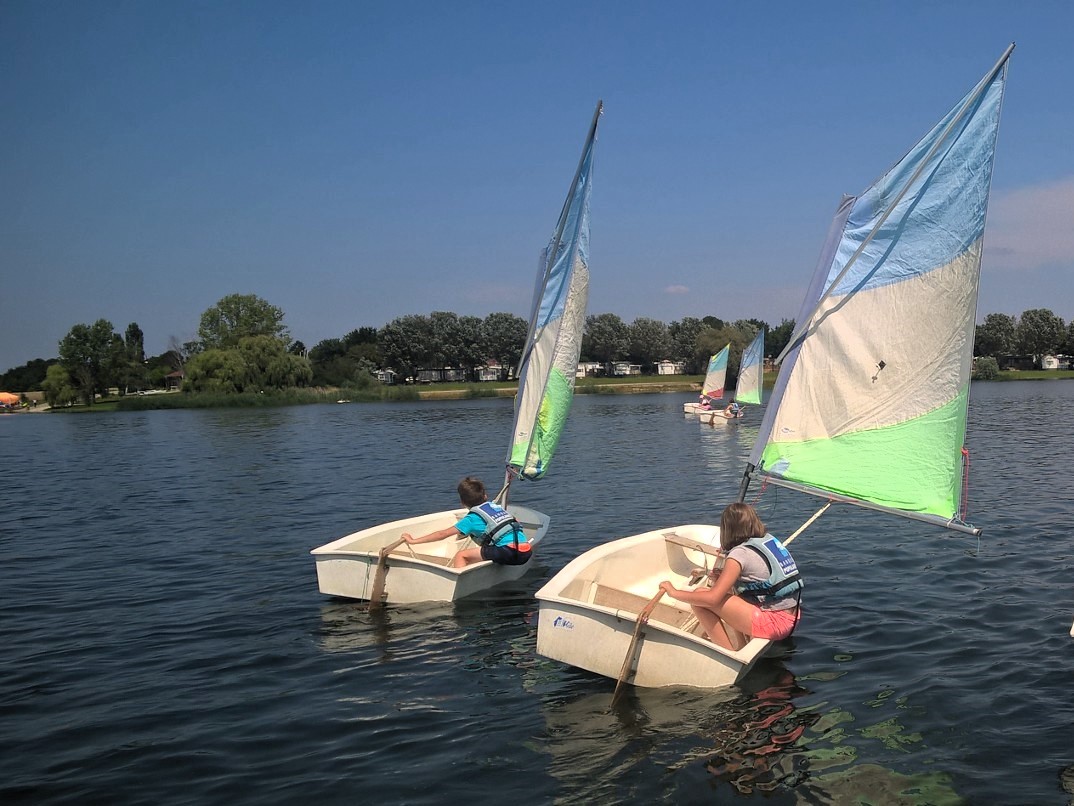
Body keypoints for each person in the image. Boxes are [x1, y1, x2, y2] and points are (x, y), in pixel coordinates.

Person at [659, 502, 802, 650]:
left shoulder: (739, 554)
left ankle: (727, 653)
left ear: (728, 528)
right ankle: (741, 644)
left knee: (699, 598)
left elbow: (712, 599)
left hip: (774, 623)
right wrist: (723, 578)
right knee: (729, 589)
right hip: (793, 617)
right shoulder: (768, 540)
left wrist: (673, 592)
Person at [401, 476, 532, 568]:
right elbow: (514, 523)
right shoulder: (495, 507)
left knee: (461, 556)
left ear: (462, 503)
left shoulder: (471, 519)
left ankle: (456, 583)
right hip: (526, 551)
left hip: (509, 552)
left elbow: (442, 534)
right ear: (485, 496)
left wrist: (413, 541)